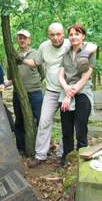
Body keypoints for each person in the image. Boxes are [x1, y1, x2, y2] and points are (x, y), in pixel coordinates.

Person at [20, 22, 97, 167]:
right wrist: (20, 58)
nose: (55, 38)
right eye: (52, 34)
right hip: (52, 90)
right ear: (48, 35)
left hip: (70, 92)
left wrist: (70, 91)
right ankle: (40, 155)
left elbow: (91, 46)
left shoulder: (70, 42)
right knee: (44, 121)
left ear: (63, 34)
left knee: (70, 125)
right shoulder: (44, 47)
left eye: (58, 34)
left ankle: (64, 154)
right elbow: (35, 62)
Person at [58, 24, 95, 166]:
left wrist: (70, 94)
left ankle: (82, 161)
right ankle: (66, 158)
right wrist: (67, 90)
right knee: (66, 129)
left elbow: (85, 77)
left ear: (83, 36)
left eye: (77, 34)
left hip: (82, 92)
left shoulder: (89, 52)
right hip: (66, 91)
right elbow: (61, 75)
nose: (73, 37)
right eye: (71, 34)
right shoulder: (66, 53)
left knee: (81, 129)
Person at [10, 29, 44, 155]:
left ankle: (40, 148)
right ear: (17, 40)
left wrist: (34, 83)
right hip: (18, 92)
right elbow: (10, 76)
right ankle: (20, 147)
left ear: (30, 40)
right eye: (20, 37)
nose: (22, 40)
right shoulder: (12, 56)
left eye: (25, 37)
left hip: (35, 92)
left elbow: (41, 72)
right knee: (19, 120)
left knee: (40, 118)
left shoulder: (36, 53)